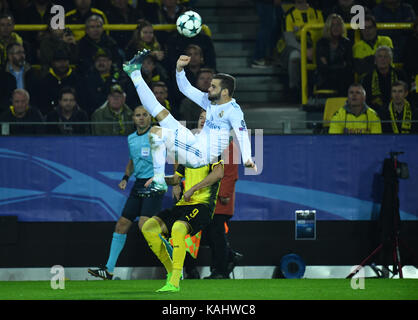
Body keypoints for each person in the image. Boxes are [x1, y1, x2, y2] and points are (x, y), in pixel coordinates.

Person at [123, 50, 256, 193]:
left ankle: (159, 180)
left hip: (198, 155)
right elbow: (185, 88)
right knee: (160, 112)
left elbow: (242, 134)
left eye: (213, 87)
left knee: (156, 132)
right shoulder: (211, 101)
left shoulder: (233, 111)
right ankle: (134, 73)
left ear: (224, 92)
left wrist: (247, 158)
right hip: (193, 141)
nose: (209, 88)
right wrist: (179, 69)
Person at [88, 105, 166, 280]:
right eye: (137, 115)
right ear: (133, 118)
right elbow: (132, 161)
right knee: (121, 225)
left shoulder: (156, 134)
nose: (141, 118)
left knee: (144, 226)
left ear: (150, 117)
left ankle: (174, 261)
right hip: (138, 184)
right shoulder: (131, 138)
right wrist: (125, 177)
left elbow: (172, 154)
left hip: (153, 183)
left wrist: (174, 179)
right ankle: (108, 270)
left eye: (144, 115)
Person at [141, 154, 224, 292]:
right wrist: (160, 178)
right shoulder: (187, 158)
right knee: (148, 228)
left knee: (178, 228)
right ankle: (172, 273)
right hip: (183, 205)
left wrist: (193, 189)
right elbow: (175, 179)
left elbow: (218, 174)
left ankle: (174, 283)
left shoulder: (212, 154)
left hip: (202, 206)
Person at [196, 110, 240, 279]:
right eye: (201, 118)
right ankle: (228, 257)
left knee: (215, 233)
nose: (202, 121)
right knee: (210, 234)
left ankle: (220, 270)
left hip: (220, 199)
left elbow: (230, 173)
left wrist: (224, 193)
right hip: (205, 198)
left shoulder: (226, 144)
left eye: (207, 120)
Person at [279, 0, 324, 101]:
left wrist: (315, 49)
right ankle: (294, 89)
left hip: (315, 47)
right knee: (295, 57)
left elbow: (323, 34)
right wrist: (304, 50)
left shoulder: (318, 13)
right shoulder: (289, 15)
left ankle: (321, 88)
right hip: (296, 47)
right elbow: (290, 40)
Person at [314, 13, 353, 96]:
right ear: (328, 27)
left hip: (342, 78)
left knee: (345, 77)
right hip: (325, 78)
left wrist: (330, 66)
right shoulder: (321, 43)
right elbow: (322, 67)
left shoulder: (346, 43)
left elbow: (349, 65)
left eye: (338, 25)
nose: (335, 28)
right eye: (332, 25)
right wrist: (340, 66)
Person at [361, 46, 407, 112]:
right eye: (380, 56)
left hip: (399, 110)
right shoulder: (368, 78)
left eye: (386, 56)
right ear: (375, 60)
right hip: (375, 112)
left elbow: (406, 95)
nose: (383, 59)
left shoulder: (400, 75)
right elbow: (366, 100)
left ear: (390, 60)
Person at [35, 49, 80, 116]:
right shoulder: (45, 81)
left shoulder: (77, 79)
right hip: (50, 118)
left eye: (65, 61)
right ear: (53, 63)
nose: (62, 64)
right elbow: (41, 103)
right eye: (59, 61)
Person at [352, 15, 393, 79]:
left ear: (375, 28)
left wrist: (367, 61)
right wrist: (379, 58)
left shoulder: (386, 40)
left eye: (370, 27)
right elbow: (360, 68)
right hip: (367, 82)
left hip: (388, 77)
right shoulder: (357, 47)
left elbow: (388, 61)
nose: (367, 30)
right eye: (364, 28)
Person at [251, 0, 283, 68]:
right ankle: (258, 58)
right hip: (265, 2)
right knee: (266, 26)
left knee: (277, 25)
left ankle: (270, 57)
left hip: (269, 3)